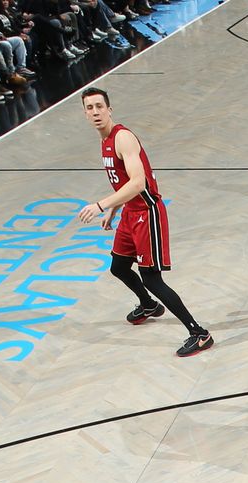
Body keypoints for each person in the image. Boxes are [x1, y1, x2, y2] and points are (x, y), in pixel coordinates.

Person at [76, 86, 214, 357]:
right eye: (89, 108)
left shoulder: (122, 138)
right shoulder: (104, 140)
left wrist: (101, 204)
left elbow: (138, 182)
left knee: (152, 278)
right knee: (118, 266)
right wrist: (114, 211)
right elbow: (123, 181)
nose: (95, 112)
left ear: (109, 109)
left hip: (147, 213)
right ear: (84, 113)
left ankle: (199, 333)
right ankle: (148, 305)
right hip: (129, 212)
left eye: (99, 107)